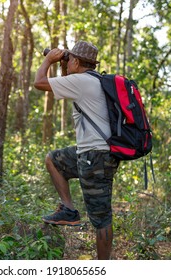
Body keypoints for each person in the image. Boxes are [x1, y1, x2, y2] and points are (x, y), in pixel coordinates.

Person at [33, 41, 119, 260]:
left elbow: (39, 82)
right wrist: (63, 63)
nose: (66, 60)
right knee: (54, 159)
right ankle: (69, 211)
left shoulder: (81, 81)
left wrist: (49, 59)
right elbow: (63, 83)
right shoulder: (93, 79)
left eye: (69, 58)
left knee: (101, 218)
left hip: (95, 157)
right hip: (90, 154)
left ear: (77, 61)